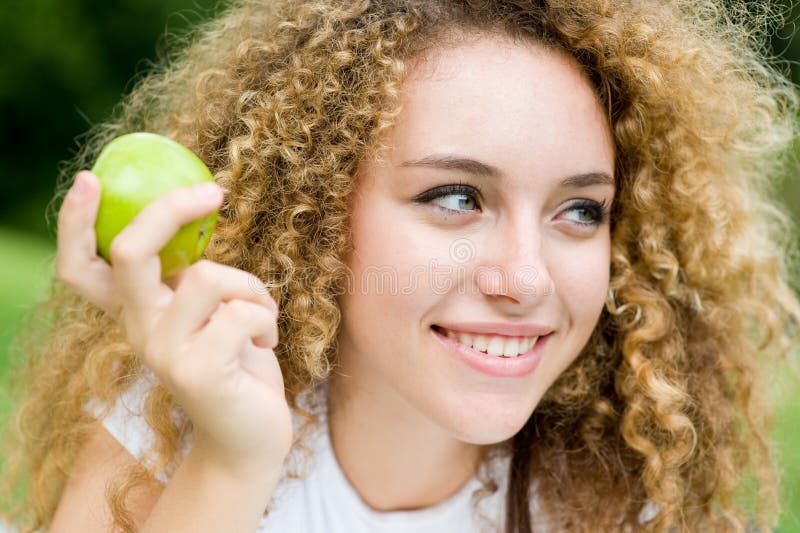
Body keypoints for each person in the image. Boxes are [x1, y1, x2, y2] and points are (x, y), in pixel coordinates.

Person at [1, 0, 799, 531]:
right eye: (456, 196)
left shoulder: (606, 491)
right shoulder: (176, 415)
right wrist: (234, 456)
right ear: (313, 205)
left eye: (579, 210)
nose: (526, 278)